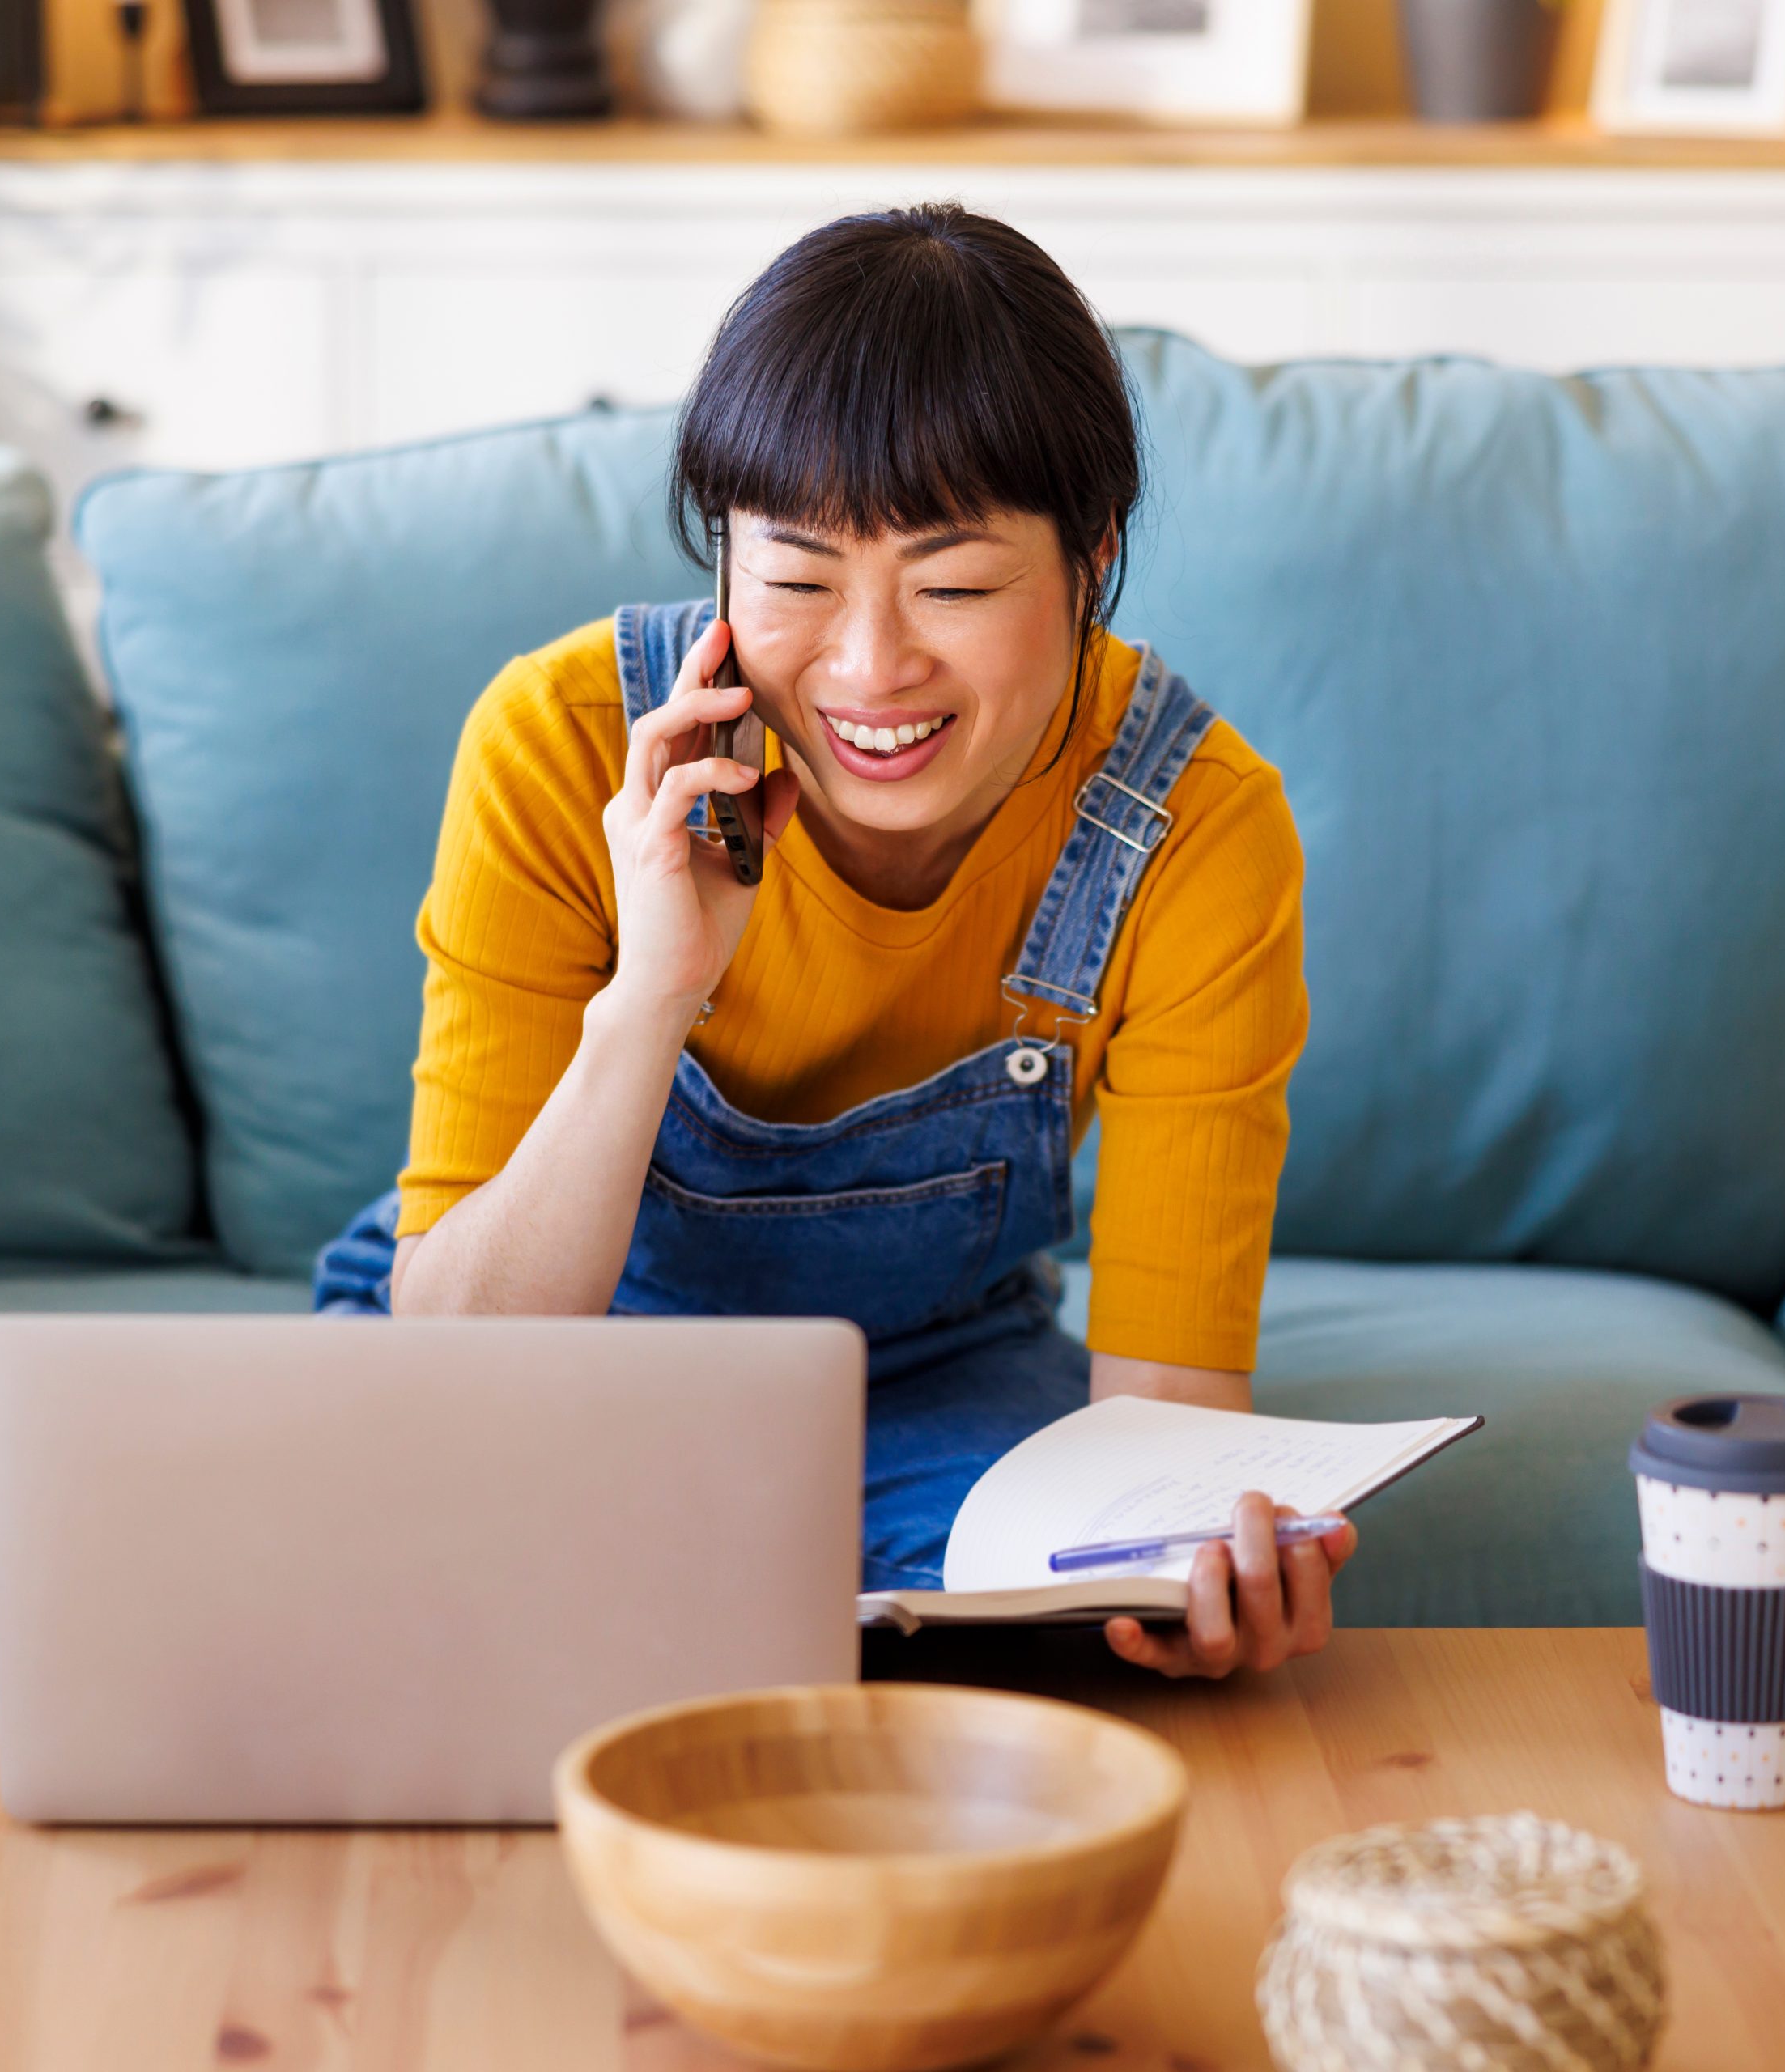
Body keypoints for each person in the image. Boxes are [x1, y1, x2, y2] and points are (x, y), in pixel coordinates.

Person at [314, 202, 1356, 1678]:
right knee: (402, 1607)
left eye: (956, 585)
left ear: (1091, 556)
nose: (870, 668)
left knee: (1083, 1629)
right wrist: (657, 989)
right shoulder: (556, 745)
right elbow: (459, 1354)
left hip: (929, 1379)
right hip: (549, 1353)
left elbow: (1170, 1417)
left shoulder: (1197, 828)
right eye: (796, 581)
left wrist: (1195, 1573)